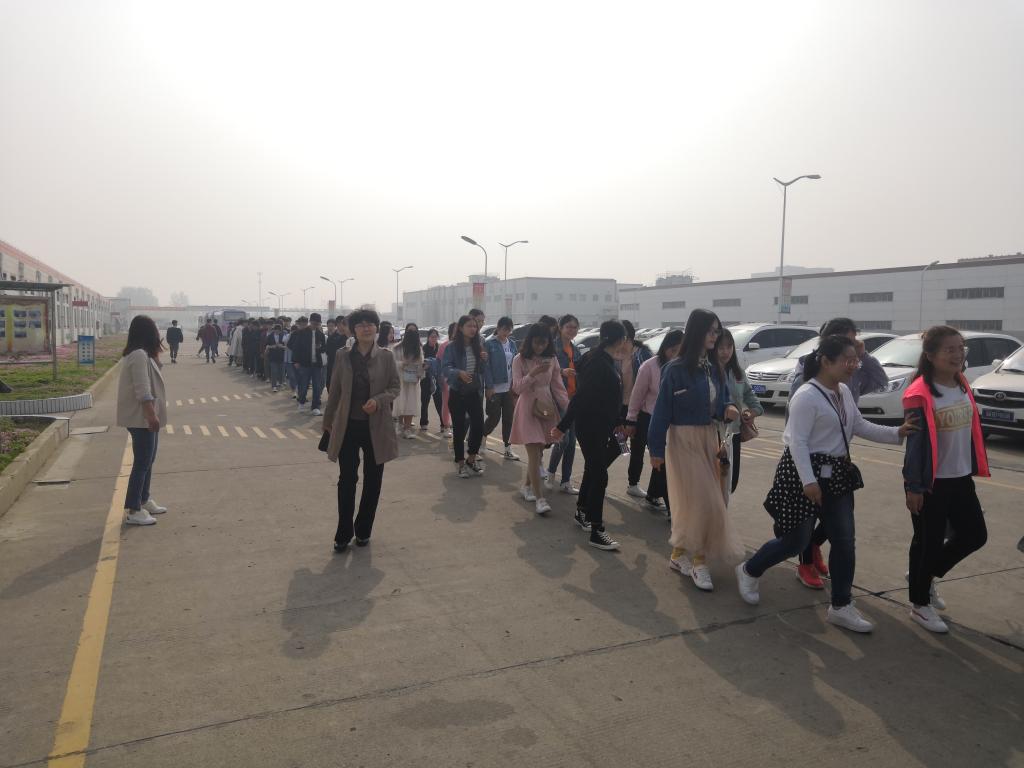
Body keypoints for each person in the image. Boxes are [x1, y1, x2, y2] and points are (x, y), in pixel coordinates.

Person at [736, 335, 916, 633]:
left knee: (844, 540)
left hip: (837, 475)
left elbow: (858, 425)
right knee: (796, 541)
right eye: (848, 360)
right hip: (803, 474)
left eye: (856, 360)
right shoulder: (806, 396)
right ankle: (749, 570)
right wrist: (809, 481)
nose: (854, 365)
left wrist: (897, 432)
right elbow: (797, 442)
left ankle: (841, 606)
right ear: (826, 361)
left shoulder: (843, 391)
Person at [789, 318, 889, 588]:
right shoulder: (810, 374)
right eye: (847, 339)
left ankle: (839, 597)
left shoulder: (848, 373)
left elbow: (880, 381)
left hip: (839, 454)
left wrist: (863, 356)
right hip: (811, 457)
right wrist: (805, 475)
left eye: (854, 339)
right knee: (806, 523)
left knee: (840, 528)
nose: (853, 344)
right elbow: (797, 432)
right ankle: (804, 562)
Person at [902, 325, 990, 633]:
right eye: (949, 349)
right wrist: (914, 486)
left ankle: (922, 578)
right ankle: (919, 605)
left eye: (960, 348)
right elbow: (914, 446)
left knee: (975, 535)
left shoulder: (961, 382)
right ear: (930, 355)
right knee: (927, 542)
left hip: (960, 477)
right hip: (931, 482)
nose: (957, 355)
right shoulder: (918, 394)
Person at [647, 309, 742, 591]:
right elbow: (661, 412)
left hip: (709, 439)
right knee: (705, 502)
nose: (715, 336)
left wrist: (729, 408)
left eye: (717, 331)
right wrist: (655, 450)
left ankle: (679, 555)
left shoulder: (714, 368)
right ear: (697, 331)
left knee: (701, 502)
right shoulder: (674, 369)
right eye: (711, 331)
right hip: (682, 441)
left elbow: (722, 401)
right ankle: (699, 562)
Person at [322, 309, 401, 551]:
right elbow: (335, 389)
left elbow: (395, 387)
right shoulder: (342, 355)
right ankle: (343, 533)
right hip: (347, 426)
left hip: (376, 427)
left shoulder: (386, 357)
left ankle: (364, 530)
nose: (366, 328)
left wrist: (378, 400)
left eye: (370, 324)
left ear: (377, 328)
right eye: (361, 325)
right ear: (353, 330)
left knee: (373, 480)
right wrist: (328, 419)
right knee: (347, 479)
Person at [551, 320, 631, 551]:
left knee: (595, 468)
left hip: (605, 425)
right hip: (591, 426)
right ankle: (597, 530)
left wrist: (618, 422)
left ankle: (582, 511)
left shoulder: (603, 358)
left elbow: (608, 397)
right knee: (599, 474)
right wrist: (562, 427)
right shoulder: (598, 362)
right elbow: (581, 397)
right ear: (619, 340)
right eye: (625, 338)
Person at [511, 324, 569, 515]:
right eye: (536, 343)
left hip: (546, 407)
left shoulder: (552, 359)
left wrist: (569, 409)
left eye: (543, 343)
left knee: (538, 454)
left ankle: (526, 486)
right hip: (527, 406)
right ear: (530, 341)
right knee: (534, 453)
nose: (539, 347)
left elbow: (558, 387)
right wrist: (533, 373)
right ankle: (540, 499)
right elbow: (517, 388)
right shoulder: (519, 359)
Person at [116, 315, 168, 526]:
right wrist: (151, 415)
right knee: (142, 463)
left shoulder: (142, 354)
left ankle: (144, 499)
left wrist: (155, 355)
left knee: (148, 460)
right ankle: (134, 509)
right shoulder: (138, 355)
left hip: (145, 416)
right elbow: (142, 389)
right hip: (141, 418)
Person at [625, 329, 683, 510]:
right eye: (672, 350)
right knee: (649, 456)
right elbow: (637, 395)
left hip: (672, 422)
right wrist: (631, 419)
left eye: (680, 351)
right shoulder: (650, 366)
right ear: (665, 347)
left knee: (663, 462)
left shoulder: (684, 368)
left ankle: (652, 495)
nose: (675, 355)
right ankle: (670, 507)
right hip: (648, 418)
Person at [716, 327, 764, 505]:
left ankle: (720, 515)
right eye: (721, 347)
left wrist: (751, 412)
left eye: (729, 347)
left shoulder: (738, 372)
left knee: (731, 482)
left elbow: (753, 401)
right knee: (714, 482)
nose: (725, 352)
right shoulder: (707, 372)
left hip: (733, 435)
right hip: (713, 435)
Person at [443, 315, 486, 478]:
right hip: (458, 392)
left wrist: (483, 360)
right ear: (460, 328)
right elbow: (445, 368)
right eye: (469, 326)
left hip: (474, 391)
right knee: (459, 429)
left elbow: (481, 370)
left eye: (475, 326)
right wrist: (458, 372)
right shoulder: (452, 347)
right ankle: (460, 464)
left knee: (479, 426)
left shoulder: (478, 346)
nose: (473, 329)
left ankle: (471, 459)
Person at [546, 314, 581, 494]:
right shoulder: (552, 347)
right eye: (568, 326)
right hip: (558, 398)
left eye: (575, 327)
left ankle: (566, 481)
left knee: (572, 441)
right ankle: (550, 473)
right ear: (560, 328)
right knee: (563, 438)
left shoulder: (576, 349)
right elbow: (545, 369)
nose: (572, 330)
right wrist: (561, 372)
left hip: (573, 399)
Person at [483, 317, 519, 460]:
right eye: (504, 329)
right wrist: (489, 386)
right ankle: (481, 439)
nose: (506, 332)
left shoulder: (512, 344)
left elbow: (516, 363)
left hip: (509, 388)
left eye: (509, 330)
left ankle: (507, 449)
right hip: (495, 388)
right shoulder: (489, 343)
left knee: (509, 419)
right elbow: (486, 367)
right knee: (494, 417)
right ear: (498, 328)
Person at [287, 314, 327, 415]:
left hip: (317, 364)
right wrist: (295, 361)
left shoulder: (320, 335)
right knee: (303, 385)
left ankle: (315, 407)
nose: (315, 325)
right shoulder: (301, 333)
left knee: (317, 386)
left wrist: (320, 348)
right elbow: (296, 347)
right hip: (304, 364)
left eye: (317, 323)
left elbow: (324, 348)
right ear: (310, 322)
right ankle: (301, 402)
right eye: (314, 323)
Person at [393, 322, 425, 438]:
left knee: (410, 404)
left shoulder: (418, 348)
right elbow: (392, 363)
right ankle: (399, 424)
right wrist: (402, 363)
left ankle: (407, 428)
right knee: (401, 402)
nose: (412, 333)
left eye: (414, 331)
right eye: (409, 331)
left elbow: (421, 364)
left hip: (413, 381)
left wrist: (421, 372)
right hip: (401, 380)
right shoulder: (397, 348)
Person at [420, 328, 443, 431]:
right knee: (425, 401)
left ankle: (443, 423)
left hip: (437, 378)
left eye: (435, 337)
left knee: (439, 401)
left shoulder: (439, 348)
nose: (434, 339)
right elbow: (421, 363)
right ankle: (423, 422)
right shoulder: (423, 348)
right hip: (426, 378)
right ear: (428, 337)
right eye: (432, 337)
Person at [436, 323, 456, 438]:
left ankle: (455, 425)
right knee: (447, 403)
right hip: (447, 379)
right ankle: (446, 426)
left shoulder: (464, 345)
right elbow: (439, 363)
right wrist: (441, 378)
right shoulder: (444, 346)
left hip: (459, 380)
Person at [325, 315, 350, 392]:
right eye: (340, 324)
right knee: (330, 384)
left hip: (347, 366)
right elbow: (328, 351)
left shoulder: (350, 338)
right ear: (337, 325)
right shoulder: (331, 338)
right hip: (333, 364)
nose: (342, 326)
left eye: (344, 324)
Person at [265, 323, 287, 392]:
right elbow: (267, 346)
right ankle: (274, 386)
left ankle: (280, 383)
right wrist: (272, 346)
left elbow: (286, 346)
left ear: (280, 330)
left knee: (281, 371)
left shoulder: (283, 336)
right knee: (274, 372)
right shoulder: (269, 336)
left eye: (279, 330)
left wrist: (281, 346)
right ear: (274, 330)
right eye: (276, 330)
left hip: (281, 357)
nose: (277, 331)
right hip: (272, 357)